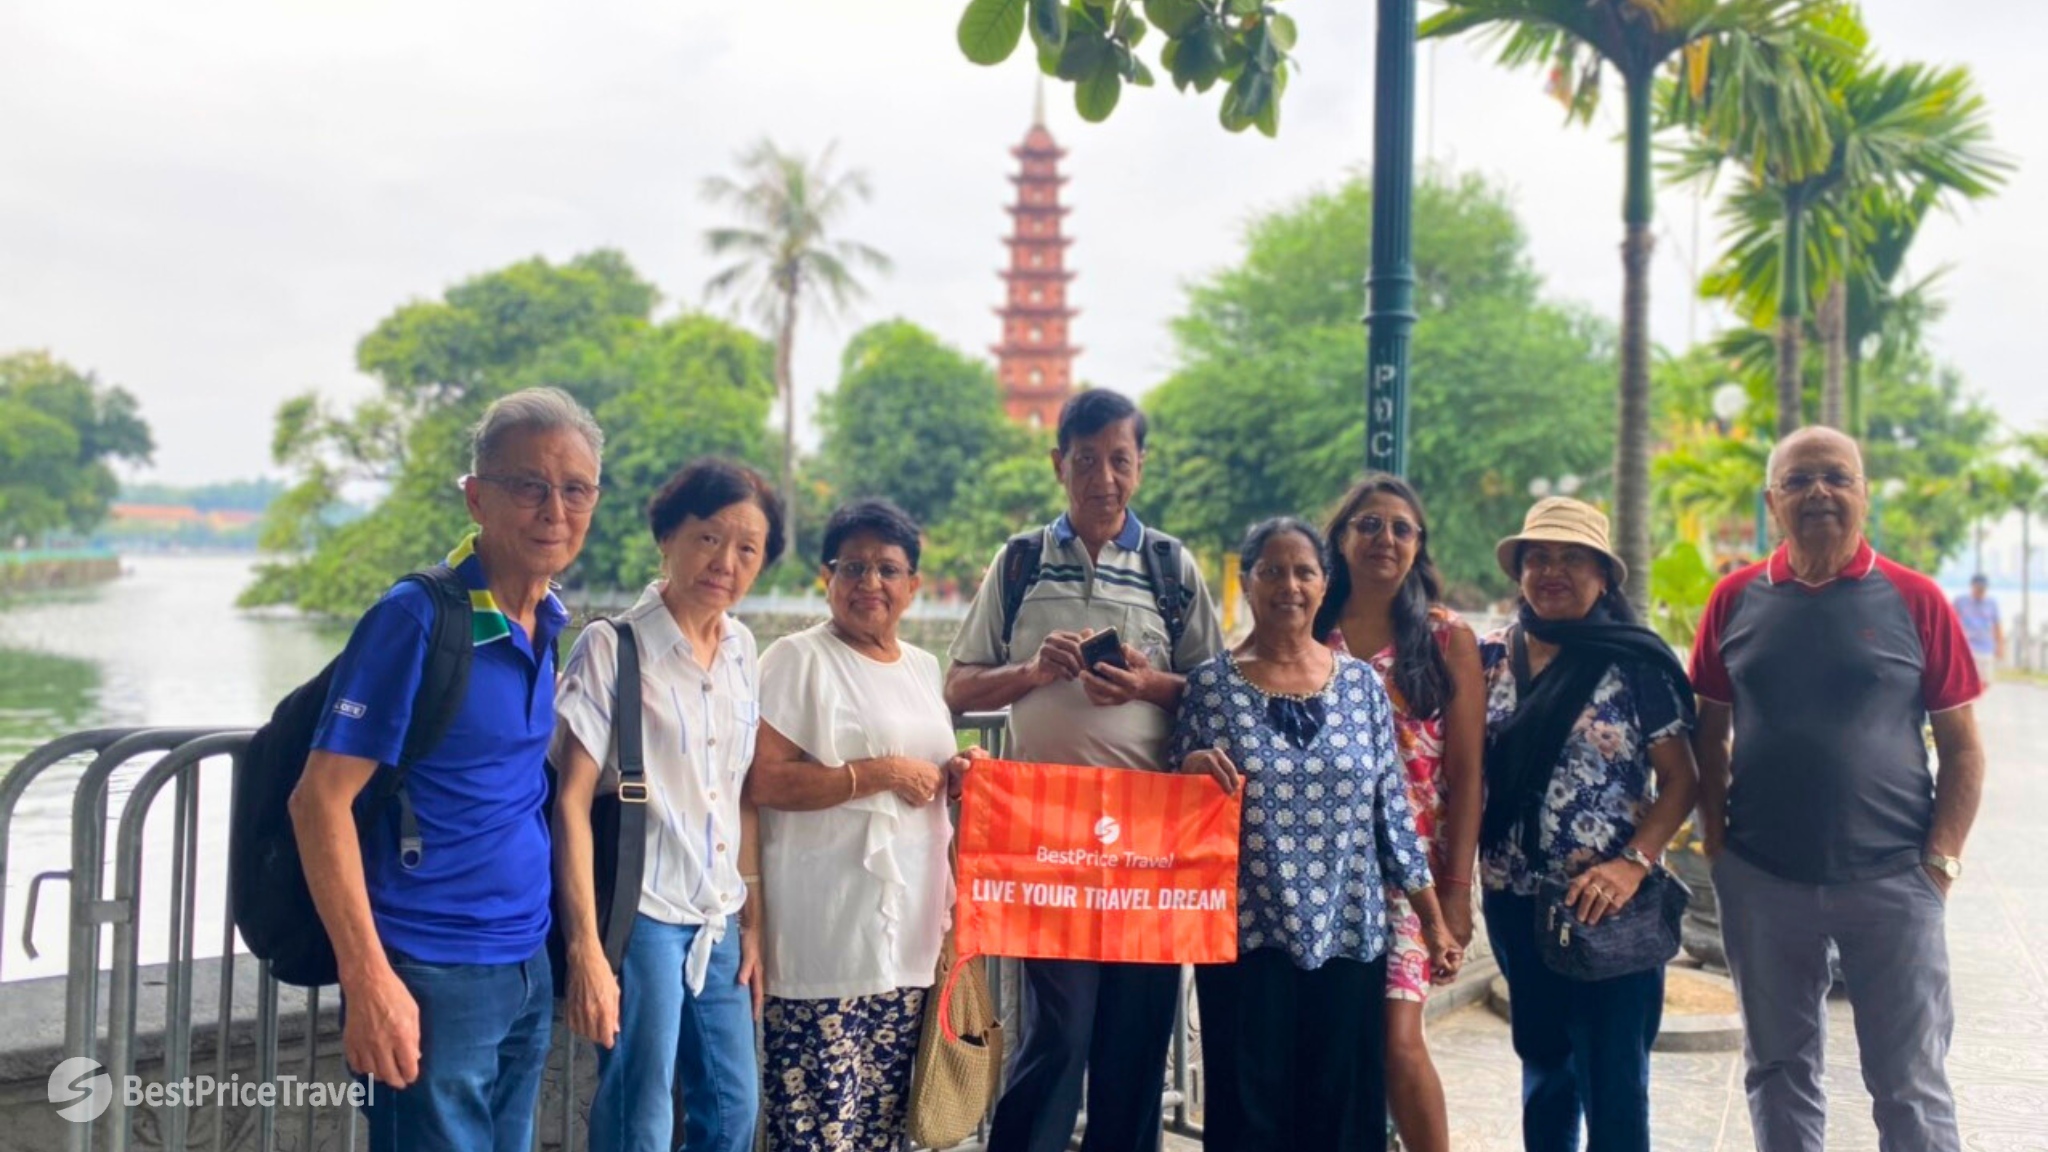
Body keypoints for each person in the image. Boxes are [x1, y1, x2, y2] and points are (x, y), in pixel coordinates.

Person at [289, 386, 601, 1151]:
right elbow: (318, 801)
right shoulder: (417, 617)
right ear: (476, 498)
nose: (554, 511)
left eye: (575, 489)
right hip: (429, 969)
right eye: (528, 486)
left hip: (524, 961)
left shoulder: (547, 618)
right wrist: (368, 980)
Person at [1691, 427, 1986, 1152]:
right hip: (1763, 880)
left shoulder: (1917, 599)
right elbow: (1708, 734)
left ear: (1863, 493)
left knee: (1909, 1082)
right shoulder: (1733, 599)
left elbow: (1963, 747)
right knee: (1778, 1071)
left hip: (1893, 880)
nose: (1818, 491)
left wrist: (1940, 864)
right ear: (1772, 501)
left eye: (1836, 477)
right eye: (1798, 480)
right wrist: (1719, 848)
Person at [945, 388, 1224, 1152]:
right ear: (1058, 464)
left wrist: (1146, 683)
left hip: (1152, 841)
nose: (1105, 477)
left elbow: (1214, 691)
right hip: (1047, 837)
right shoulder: (1019, 562)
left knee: (1136, 1035)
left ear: (1141, 465)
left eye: (1120, 460)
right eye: (1087, 460)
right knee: (1060, 1029)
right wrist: (1032, 671)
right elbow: (958, 686)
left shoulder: (1171, 566)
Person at [1176, 517, 1460, 1152]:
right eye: (1272, 571)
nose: (1290, 586)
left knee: (1342, 1113)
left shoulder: (1361, 686)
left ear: (1324, 584)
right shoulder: (1210, 689)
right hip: (1247, 939)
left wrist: (1434, 923)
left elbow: (1392, 813)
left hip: (1350, 935)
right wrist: (1190, 771)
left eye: (1304, 572)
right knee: (1250, 1114)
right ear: (1247, 582)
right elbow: (1177, 814)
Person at [552, 458, 785, 1152]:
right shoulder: (612, 647)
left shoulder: (742, 649)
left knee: (734, 1109)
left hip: (717, 916)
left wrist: (752, 921)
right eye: (709, 538)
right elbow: (569, 803)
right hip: (642, 916)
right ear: (667, 537)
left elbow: (739, 795)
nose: (726, 563)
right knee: (641, 1115)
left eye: (748, 549)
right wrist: (586, 949)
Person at [746, 499, 983, 1151]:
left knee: (884, 1127)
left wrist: (954, 774)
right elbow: (763, 780)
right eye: (852, 567)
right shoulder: (797, 659)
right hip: (825, 938)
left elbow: (924, 777)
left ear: (913, 584)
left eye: (887, 569)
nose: (869, 583)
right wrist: (878, 773)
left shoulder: (922, 667)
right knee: (817, 1129)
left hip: (909, 938)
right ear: (828, 577)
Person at [1479, 497, 1701, 1152]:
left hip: (1607, 904)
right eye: (1539, 557)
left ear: (1603, 576)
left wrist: (1632, 864)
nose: (1553, 571)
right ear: (1519, 572)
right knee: (1546, 1070)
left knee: (1615, 1081)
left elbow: (1683, 778)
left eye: (1573, 558)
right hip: (1515, 899)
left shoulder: (1636, 664)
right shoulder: (1489, 659)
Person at [1316, 475, 1484, 1152]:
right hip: (1318, 870)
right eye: (1368, 524)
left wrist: (1455, 894)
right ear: (1340, 537)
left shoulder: (1447, 639)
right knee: (1334, 1043)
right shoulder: (1309, 626)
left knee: (1398, 1041)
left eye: (1401, 528)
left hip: (1409, 881)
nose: (1384, 538)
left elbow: (1467, 776)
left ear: (1418, 546)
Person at [1953, 572, 2002, 684]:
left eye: (1983, 588)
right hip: (1967, 647)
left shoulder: (1992, 603)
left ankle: (1980, 694)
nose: (1980, 591)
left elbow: (1997, 625)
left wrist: (2000, 646)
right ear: (1972, 586)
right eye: (1978, 588)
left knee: (1986, 680)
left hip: (1986, 647)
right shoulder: (1961, 601)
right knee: (1968, 680)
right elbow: (1952, 620)